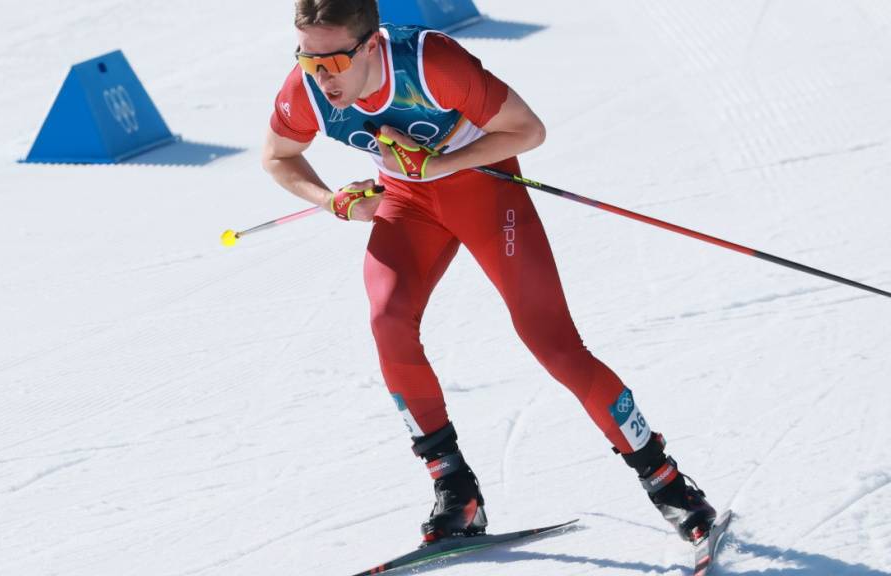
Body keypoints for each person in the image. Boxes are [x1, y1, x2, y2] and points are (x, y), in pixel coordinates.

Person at [262, 0, 717, 545]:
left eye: (331, 64)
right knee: (388, 320)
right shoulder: (306, 87)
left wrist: (440, 164)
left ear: (371, 46)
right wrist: (332, 200)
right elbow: (277, 156)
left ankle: (665, 481)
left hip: (483, 188)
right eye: (307, 60)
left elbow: (528, 129)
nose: (319, 78)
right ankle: (456, 489)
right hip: (406, 203)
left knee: (551, 341)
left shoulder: (431, 64)